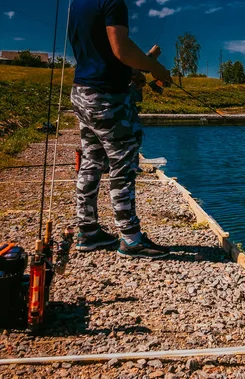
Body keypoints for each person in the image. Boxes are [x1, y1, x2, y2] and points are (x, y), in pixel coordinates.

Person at [68, 0, 173, 259]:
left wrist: (130, 71)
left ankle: (88, 230)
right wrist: (155, 67)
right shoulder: (112, 1)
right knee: (123, 163)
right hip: (107, 98)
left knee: (92, 161)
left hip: (83, 92)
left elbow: (99, 50)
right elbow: (121, 48)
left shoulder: (78, 3)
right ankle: (130, 238)